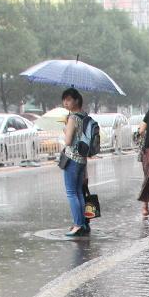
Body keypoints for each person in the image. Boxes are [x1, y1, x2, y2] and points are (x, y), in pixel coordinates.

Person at [61, 87, 90, 238]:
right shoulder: (84, 116)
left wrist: (66, 130)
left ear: (76, 100)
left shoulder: (73, 118)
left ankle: (78, 225)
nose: (65, 102)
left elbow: (68, 141)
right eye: (64, 100)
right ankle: (83, 223)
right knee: (78, 192)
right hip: (82, 160)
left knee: (72, 193)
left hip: (72, 159)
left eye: (69, 99)